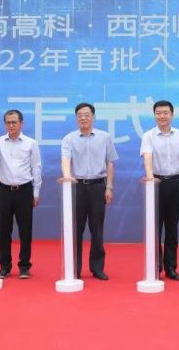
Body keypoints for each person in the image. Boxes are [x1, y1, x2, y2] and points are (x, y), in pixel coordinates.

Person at [60, 102, 118, 280]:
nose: (83, 118)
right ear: (76, 118)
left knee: (97, 229)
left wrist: (109, 187)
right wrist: (68, 177)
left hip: (98, 187)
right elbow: (65, 159)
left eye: (87, 115)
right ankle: (74, 269)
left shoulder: (104, 137)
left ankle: (97, 268)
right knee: (75, 230)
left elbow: (110, 163)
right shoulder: (69, 138)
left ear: (93, 117)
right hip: (77, 187)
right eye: (80, 115)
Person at [0, 109, 42, 279]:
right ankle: (5, 266)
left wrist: (36, 192)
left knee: (25, 230)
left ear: (21, 123)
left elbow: (36, 167)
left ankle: (24, 266)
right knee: (4, 230)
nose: (11, 125)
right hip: (4, 190)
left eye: (14, 122)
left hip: (24, 190)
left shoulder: (31, 143)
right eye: (8, 122)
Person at [140, 100, 179, 281]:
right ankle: (155, 267)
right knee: (154, 227)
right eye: (159, 113)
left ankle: (171, 267)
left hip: (175, 182)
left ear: (172, 114)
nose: (162, 116)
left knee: (172, 227)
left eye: (166, 112)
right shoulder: (148, 136)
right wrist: (150, 179)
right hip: (156, 183)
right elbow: (147, 157)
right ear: (154, 115)